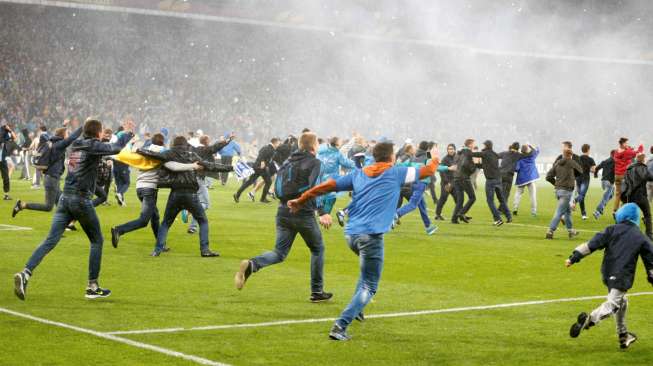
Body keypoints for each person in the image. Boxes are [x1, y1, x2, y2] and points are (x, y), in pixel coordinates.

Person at [286, 141, 441, 341]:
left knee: (366, 271)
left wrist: (301, 200)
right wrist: (435, 156)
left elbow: (326, 186)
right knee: (370, 285)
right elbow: (428, 171)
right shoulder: (396, 173)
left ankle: (358, 309)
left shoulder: (359, 174)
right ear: (391, 157)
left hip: (351, 235)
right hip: (371, 237)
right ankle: (340, 326)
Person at [13, 118, 135, 301]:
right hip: (80, 199)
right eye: (101, 132)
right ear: (97, 132)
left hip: (64, 199)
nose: (102, 135)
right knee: (97, 240)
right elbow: (115, 149)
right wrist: (127, 135)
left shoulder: (77, 144)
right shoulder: (92, 145)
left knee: (49, 241)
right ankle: (92, 286)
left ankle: (25, 273)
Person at [234, 132, 334, 302]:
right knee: (317, 249)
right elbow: (315, 187)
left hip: (282, 211)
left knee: (279, 252)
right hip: (303, 212)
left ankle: (252, 264)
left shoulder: (288, 161)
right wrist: (322, 211)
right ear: (314, 145)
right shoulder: (315, 162)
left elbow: (277, 185)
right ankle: (317, 291)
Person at [565, 203, 653, 349]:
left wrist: (574, 257)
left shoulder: (611, 229)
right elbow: (650, 259)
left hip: (607, 273)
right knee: (613, 303)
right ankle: (589, 319)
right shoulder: (641, 237)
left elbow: (592, 244)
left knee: (622, 302)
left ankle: (623, 335)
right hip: (623, 275)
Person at [139, 135, 232, 257]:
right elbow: (210, 165)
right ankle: (205, 250)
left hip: (175, 193)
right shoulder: (191, 155)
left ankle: (157, 250)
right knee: (203, 221)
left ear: (174, 144)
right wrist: (230, 168)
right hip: (191, 193)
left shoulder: (169, 153)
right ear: (185, 144)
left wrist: (140, 150)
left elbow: (155, 155)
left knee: (166, 223)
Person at [110, 133, 201, 248]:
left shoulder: (146, 150)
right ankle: (119, 230)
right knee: (144, 220)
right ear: (163, 142)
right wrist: (192, 166)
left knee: (155, 216)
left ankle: (160, 244)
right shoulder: (163, 153)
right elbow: (173, 166)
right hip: (149, 188)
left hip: (140, 188)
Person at [12, 126, 83, 217]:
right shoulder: (58, 145)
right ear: (63, 135)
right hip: (52, 179)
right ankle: (22, 205)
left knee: (62, 202)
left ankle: (67, 223)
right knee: (48, 207)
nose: (68, 135)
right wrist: (83, 127)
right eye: (67, 133)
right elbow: (71, 138)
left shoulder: (54, 142)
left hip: (52, 178)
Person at [186, 134, 231, 233]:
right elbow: (216, 147)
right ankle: (189, 213)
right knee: (206, 204)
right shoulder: (205, 150)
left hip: (191, 178)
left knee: (197, 202)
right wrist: (228, 140)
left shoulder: (194, 150)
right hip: (199, 179)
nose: (210, 142)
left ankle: (192, 226)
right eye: (209, 140)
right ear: (206, 141)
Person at [395, 142, 439, 235]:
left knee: (422, 206)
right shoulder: (428, 156)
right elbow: (432, 168)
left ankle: (429, 227)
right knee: (413, 204)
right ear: (428, 148)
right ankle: (396, 214)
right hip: (421, 183)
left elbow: (403, 165)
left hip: (413, 182)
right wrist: (447, 167)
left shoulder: (414, 156)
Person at [472, 140, 512, 226]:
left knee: (490, 201)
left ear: (486, 146)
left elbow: (473, 154)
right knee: (501, 199)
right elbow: (486, 166)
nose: (482, 147)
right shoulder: (494, 154)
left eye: (483, 145)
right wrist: (476, 165)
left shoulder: (485, 153)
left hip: (491, 181)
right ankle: (509, 216)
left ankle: (498, 219)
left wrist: (465, 150)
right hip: (498, 179)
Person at [545, 147, 582, 239]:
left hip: (558, 191)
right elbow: (581, 171)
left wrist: (556, 184)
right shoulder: (572, 162)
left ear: (563, 154)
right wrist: (574, 175)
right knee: (559, 212)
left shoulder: (557, 163)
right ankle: (550, 231)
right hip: (566, 191)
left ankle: (571, 231)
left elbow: (548, 176)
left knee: (568, 212)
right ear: (571, 155)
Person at [317, 136, 355, 221]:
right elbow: (346, 163)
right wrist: (356, 164)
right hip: (330, 179)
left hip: (319, 177)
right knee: (331, 198)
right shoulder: (337, 154)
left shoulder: (321, 151)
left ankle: (319, 212)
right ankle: (324, 217)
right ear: (337, 144)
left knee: (321, 196)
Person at [234, 137, 279, 203]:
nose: (278, 145)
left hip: (256, 167)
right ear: (274, 143)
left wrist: (262, 161)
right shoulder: (270, 149)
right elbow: (263, 156)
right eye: (278, 143)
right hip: (261, 168)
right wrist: (262, 161)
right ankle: (262, 199)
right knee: (268, 182)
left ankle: (237, 194)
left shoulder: (265, 147)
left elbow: (260, 153)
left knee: (249, 182)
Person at [621, 153, 653, 240]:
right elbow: (650, 177)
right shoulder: (644, 168)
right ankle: (649, 234)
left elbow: (625, 183)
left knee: (629, 216)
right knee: (647, 215)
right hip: (641, 196)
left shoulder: (629, 168)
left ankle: (625, 232)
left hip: (630, 196)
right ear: (643, 160)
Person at [613, 138, 644, 214]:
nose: (627, 144)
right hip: (624, 175)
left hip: (617, 175)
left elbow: (628, 153)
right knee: (628, 194)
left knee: (618, 193)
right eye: (626, 143)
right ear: (623, 144)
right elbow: (637, 152)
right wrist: (641, 146)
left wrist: (629, 149)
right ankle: (623, 212)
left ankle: (615, 211)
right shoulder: (627, 152)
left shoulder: (616, 152)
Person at [451, 139, 476, 224]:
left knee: (460, 200)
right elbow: (466, 165)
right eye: (473, 144)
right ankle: (461, 213)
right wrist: (474, 167)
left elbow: (455, 162)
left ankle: (454, 219)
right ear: (469, 145)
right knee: (472, 198)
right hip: (464, 178)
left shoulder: (459, 151)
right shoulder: (468, 152)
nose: (474, 145)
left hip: (456, 177)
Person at [513, 144, 539, 217]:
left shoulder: (519, 158)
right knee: (533, 195)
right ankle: (533, 212)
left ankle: (515, 209)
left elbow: (516, 169)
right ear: (528, 150)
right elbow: (537, 150)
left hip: (521, 179)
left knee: (518, 194)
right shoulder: (532, 156)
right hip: (531, 179)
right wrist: (530, 145)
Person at [573, 144, 596, 220]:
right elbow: (593, 170)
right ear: (588, 150)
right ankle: (574, 201)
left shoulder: (578, 158)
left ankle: (583, 214)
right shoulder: (591, 159)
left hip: (578, 178)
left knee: (581, 196)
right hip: (585, 179)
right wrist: (589, 169)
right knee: (582, 195)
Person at [435, 143, 457, 221]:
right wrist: (447, 182)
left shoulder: (457, 158)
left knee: (458, 199)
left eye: (452, 149)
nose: (450, 150)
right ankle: (437, 214)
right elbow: (442, 171)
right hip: (446, 183)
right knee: (443, 198)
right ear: (447, 150)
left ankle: (460, 214)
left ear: (455, 149)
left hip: (454, 182)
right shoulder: (445, 159)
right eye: (449, 149)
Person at [593, 150, 616, 219]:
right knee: (605, 197)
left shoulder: (605, 161)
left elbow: (596, 168)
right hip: (609, 182)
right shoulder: (616, 162)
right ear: (614, 155)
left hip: (603, 181)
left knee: (611, 195)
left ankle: (600, 209)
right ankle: (597, 211)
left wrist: (595, 174)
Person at [0, 123, 17, 200]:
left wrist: (9, 130)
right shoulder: (4, 134)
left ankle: (6, 195)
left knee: (6, 177)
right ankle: (6, 195)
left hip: (3, 158)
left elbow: (14, 137)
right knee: (6, 177)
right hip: (2, 158)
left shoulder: (5, 134)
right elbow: (14, 137)